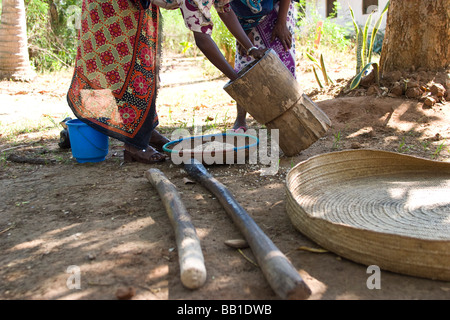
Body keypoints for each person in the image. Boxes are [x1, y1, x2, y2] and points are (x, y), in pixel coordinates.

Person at [67, 0, 266, 164]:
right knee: (125, 70)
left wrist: (250, 49)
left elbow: (226, 9)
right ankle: (134, 144)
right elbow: (202, 38)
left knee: (144, 66)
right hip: (112, 9)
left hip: (138, 9)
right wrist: (236, 78)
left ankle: (144, 132)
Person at [229, 0, 297, 132]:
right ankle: (241, 118)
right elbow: (226, 7)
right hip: (242, 15)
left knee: (283, 55)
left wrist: (281, 23)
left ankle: (291, 114)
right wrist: (244, 29)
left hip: (278, 7)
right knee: (245, 61)